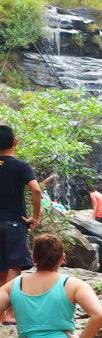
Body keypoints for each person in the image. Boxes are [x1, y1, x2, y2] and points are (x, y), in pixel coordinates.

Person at [0, 126, 41, 325]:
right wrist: (35, 216)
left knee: (1, 269)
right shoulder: (21, 166)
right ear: (15, 141)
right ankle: (8, 314)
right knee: (13, 267)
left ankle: (1, 313)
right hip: (14, 223)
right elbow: (36, 190)